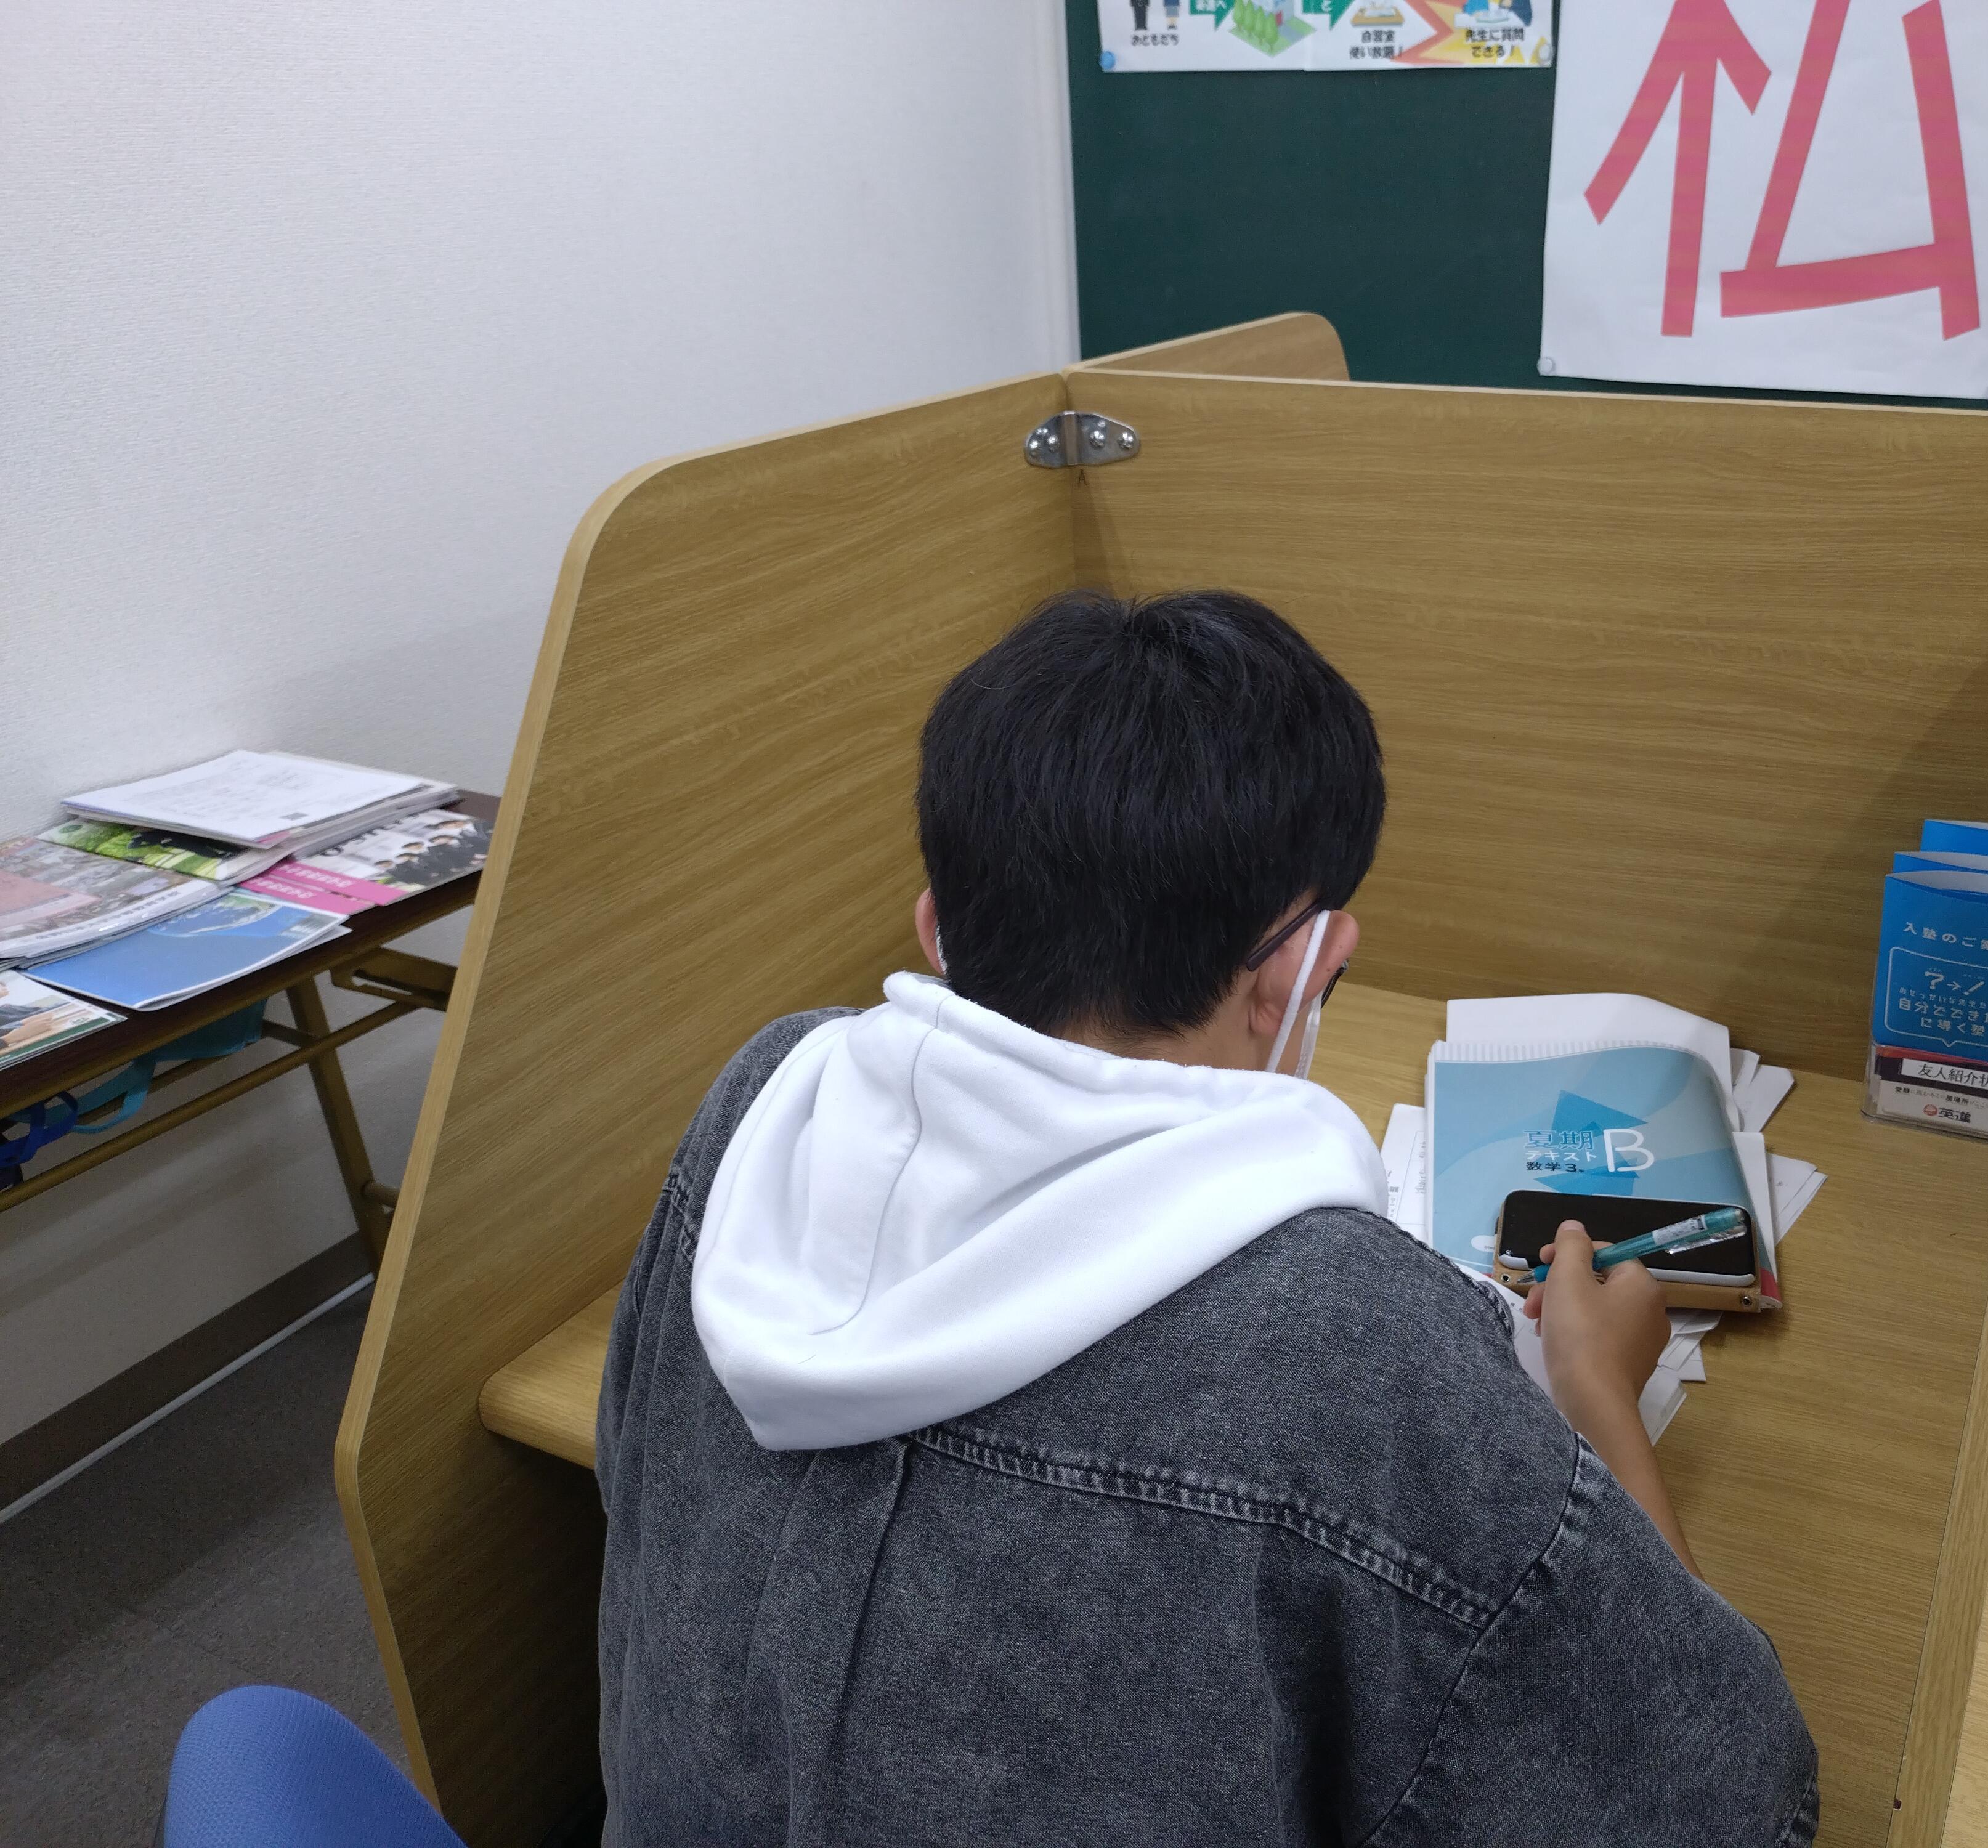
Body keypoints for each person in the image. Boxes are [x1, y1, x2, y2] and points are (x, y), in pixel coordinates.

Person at [594, 589, 1816, 1846]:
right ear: (1297, 974)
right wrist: (1597, 1391)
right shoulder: (1351, 1342)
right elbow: (1726, 1798)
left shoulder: (767, 1101)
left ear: (937, 932)